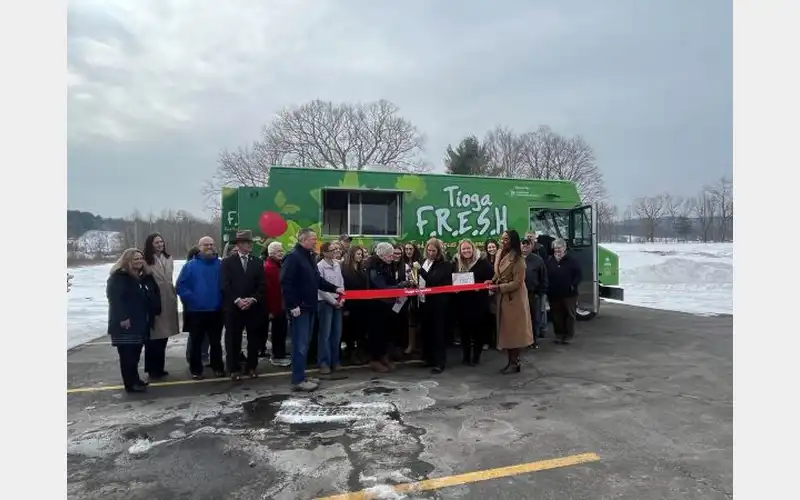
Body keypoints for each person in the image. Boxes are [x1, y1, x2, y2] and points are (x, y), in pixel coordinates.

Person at [280, 228, 344, 392]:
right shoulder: (293, 257)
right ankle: (298, 380)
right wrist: (292, 305)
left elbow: (316, 280)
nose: (316, 242)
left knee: (305, 343)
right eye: (313, 239)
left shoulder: (308, 256)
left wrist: (335, 288)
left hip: (310, 306)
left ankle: (302, 375)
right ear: (303, 239)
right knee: (299, 344)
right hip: (300, 308)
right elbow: (286, 283)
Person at [106, 248, 161, 393]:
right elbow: (115, 300)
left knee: (135, 354)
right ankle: (130, 384)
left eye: (140, 258)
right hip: (125, 324)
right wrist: (123, 317)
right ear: (127, 261)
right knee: (127, 355)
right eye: (135, 259)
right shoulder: (119, 277)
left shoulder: (139, 277)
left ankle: (135, 379)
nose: (139, 261)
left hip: (139, 322)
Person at [176, 236, 225, 379]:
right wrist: (194, 299)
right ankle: (196, 370)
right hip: (196, 311)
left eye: (212, 244)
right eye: (206, 245)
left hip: (216, 311)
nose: (209, 247)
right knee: (196, 342)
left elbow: (227, 284)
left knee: (216, 342)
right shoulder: (190, 266)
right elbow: (180, 286)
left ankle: (218, 367)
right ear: (199, 247)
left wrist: (222, 300)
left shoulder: (221, 265)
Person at [485, 230, 533, 374]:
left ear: (512, 240)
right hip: (504, 298)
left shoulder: (519, 259)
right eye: (502, 239)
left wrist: (498, 287)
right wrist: (492, 280)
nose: (502, 241)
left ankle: (514, 362)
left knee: (514, 333)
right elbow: (499, 272)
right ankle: (511, 361)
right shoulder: (501, 253)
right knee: (506, 332)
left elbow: (517, 282)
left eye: (506, 239)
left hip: (514, 300)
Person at [220, 230, 266, 380]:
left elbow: (262, 285)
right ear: (239, 245)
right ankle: (233, 368)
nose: (250, 245)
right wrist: (237, 300)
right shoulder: (228, 262)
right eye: (246, 243)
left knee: (254, 339)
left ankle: (251, 366)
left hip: (253, 307)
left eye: (250, 243)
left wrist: (252, 299)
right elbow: (225, 285)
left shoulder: (257, 262)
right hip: (234, 307)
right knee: (233, 338)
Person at [364, 242, 412, 373]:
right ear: (382, 255)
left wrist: (399, 286)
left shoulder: (385, 265)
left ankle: (383, 356)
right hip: (375, 305)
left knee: (385, 332)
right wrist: (400, 286)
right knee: (376, 333)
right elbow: (380, 286)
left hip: (385, 304)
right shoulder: (373, 267)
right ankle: (375, 359)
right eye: (390, 255)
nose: (393, 258)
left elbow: (389, 283)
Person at [141, 233, 179, 380]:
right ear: (150, 244)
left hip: (168, 299)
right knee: (153, 337)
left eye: (161, 242)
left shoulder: (168, 258)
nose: (159, 244)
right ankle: (152, 368)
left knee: (164, 337)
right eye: (156, 242)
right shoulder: (145, 260)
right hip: (154, 300)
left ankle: (160, 367)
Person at [412, 238, 452, 374]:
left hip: (438, 303)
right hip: (424, 300)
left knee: (438, 333)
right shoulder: (425, 261)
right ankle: (429, 358)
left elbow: (433, 280)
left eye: (433, 251)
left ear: (439, 251)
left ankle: (440, 362)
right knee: (427, 331)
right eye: (429, 250)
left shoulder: (444, 264)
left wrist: (421, 270)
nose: (431, 253)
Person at [452, 239, 494, 366]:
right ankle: (465, 356)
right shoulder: (456, 263)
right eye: (463, 249)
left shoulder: (483, 263)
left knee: (478, 332)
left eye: (468, 248)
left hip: (479, 303)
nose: (466, 251)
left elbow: (491, 279)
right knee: (464, 332)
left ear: (473, 248)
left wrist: (484, 285)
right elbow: (452, 279)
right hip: (462, 303)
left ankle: (476, 356)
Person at [546, 238, 583, 345]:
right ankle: (559, 334)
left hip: (569, 294)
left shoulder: (572, 261)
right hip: (554, 294)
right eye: (556, 248)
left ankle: (569, 335)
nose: (557, 250)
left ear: (564, 248)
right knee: (557, 315)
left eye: (559, 248)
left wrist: (572, 285)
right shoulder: (550, 261)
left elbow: (579, 275)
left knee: (569, 315)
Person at [316, 242, 346, 376]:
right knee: (325, 334)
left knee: (337, 333)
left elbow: (341, 282)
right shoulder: (320, 266)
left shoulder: (337, 264)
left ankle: (336, 361)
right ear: (324, 252)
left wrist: (342, 298)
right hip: (325, 302)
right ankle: (323, 362)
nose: (335, 251)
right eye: (332, 250)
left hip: (338, 301)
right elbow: (320, 288)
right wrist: (333, 301)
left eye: (336, 249)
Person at [263, 241, 290, 367]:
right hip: (276, 306)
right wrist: (271, 310)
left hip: (281, 304)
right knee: (277, 331)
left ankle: (281, 353)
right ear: (272, 253)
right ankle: (277, 355)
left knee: (282, 330)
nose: (281, 253)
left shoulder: (278, 265)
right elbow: (270, 290)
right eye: (279, 251)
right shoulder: (270, 268)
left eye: (281, 250)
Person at [341, 245, 369, 365]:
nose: (360, 256)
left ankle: (359, 353)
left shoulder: (362, 268)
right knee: (350, 331)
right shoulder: (345, 269)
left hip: (362, 305)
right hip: (349, 305)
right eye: (358, 254)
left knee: (360, 330)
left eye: (361, 254)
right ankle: (351, 353)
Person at [183, 246, 210, 366]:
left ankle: (204, 355)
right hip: (194, 308)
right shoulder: (189, 268)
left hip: (208, 307)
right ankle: (192, 356)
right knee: (195, 334)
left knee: (207, 333)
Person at [522, 238, 548, 349]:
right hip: (518, 295)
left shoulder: (538, 260)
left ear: (531, 247)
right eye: (523, 245)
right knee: (521, 318)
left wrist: (541, 292)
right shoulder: (515, 259)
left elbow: (544, 277)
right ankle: (522, 340)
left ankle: (533, 340)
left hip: (533, 294)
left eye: (527, 245)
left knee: (534, 317)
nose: (525, 247)